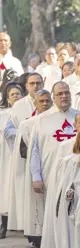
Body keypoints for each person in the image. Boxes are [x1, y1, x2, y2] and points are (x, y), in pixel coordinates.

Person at [25, 82, 78, 248]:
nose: (64, 96)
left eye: (66, 93)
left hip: (76, 173)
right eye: (60, 94)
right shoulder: (42, 119)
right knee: (53, 213)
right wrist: (36, 176)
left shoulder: (79, 116)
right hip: (50, 172)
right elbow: (34, 150)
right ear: (54, 97)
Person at [7, 89, 52, 238]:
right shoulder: (27, 124)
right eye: (41, 101)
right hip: (34, 168)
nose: (45, 104)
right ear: (35, 104)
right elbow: (23, 150)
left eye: (47, 101)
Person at [0, 83, 23, 237]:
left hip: (21, 155)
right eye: (12, 94)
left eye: (18, 93)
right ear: (8, 99)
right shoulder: (3, 114)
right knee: (6, 189)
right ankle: (4, 223)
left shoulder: (25, 111)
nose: (15, 96)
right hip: (6, 155)